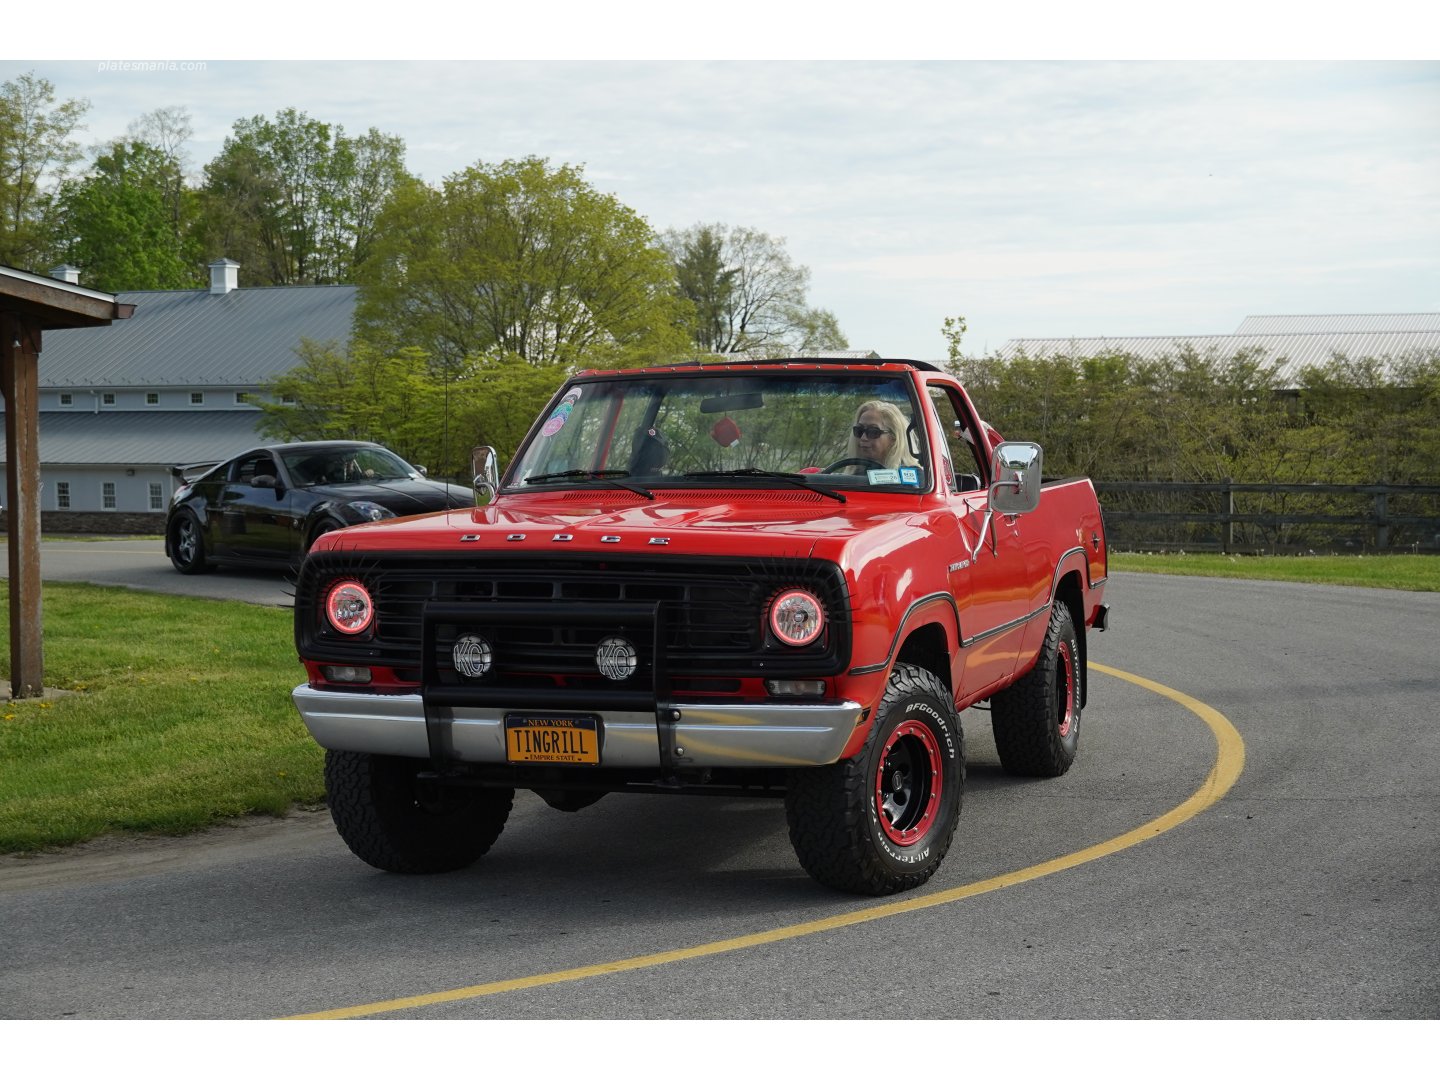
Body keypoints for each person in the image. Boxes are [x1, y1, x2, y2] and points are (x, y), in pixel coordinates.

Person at [845, 400, 918, 471]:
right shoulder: (853, 475)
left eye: (873, 432)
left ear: (894, 437)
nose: (863, 438)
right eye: (859, 430)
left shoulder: (912, 477)